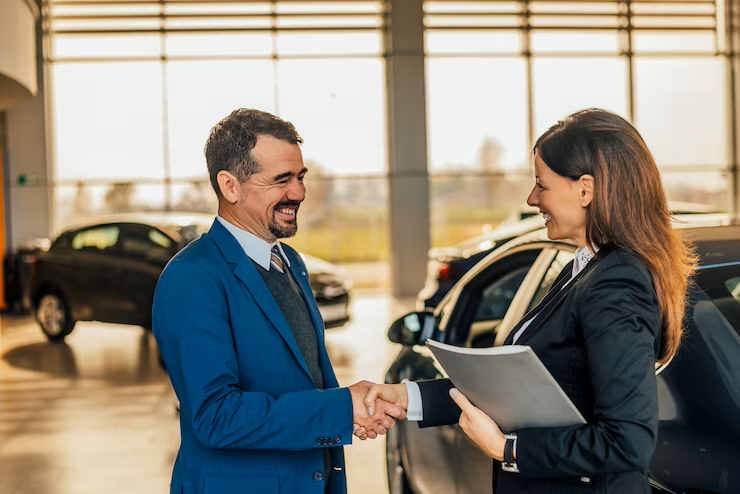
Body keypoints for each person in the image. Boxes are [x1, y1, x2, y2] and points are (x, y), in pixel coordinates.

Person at [358, 108, 696, 493]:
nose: (532, 198)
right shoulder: (584, 269)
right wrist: (405, 396)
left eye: (542, 184)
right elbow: (521, 395)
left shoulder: (616, 282)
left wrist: (509, 449)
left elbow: (626, 443)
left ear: (585, 189)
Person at [152, 108, 404, 494]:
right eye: (281, 180)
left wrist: (346, 411)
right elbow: (216, 416)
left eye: (301, 177)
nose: (299, 193)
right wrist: (338, 409)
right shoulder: (193, 278)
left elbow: (303, 380)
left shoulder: (290, 262)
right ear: (230, 186)